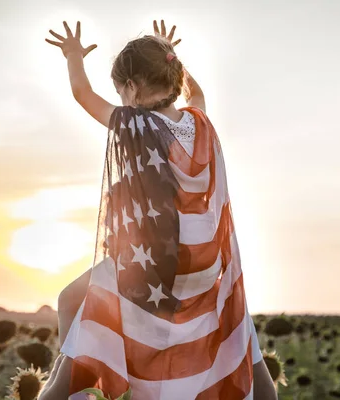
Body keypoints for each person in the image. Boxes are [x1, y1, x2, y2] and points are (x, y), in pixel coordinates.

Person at [39, 19, 277, 400]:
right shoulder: (199, 123)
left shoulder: (134, 124)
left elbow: (82, 93)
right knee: (236, 332)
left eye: (120, 91)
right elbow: (196, 93)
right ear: (174, 75)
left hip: (154, 270)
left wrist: (72, 56)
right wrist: (171, 55)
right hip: (207, 265)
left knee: (70, 301)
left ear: (131, 87)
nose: (120, 99)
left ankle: (75, 390)